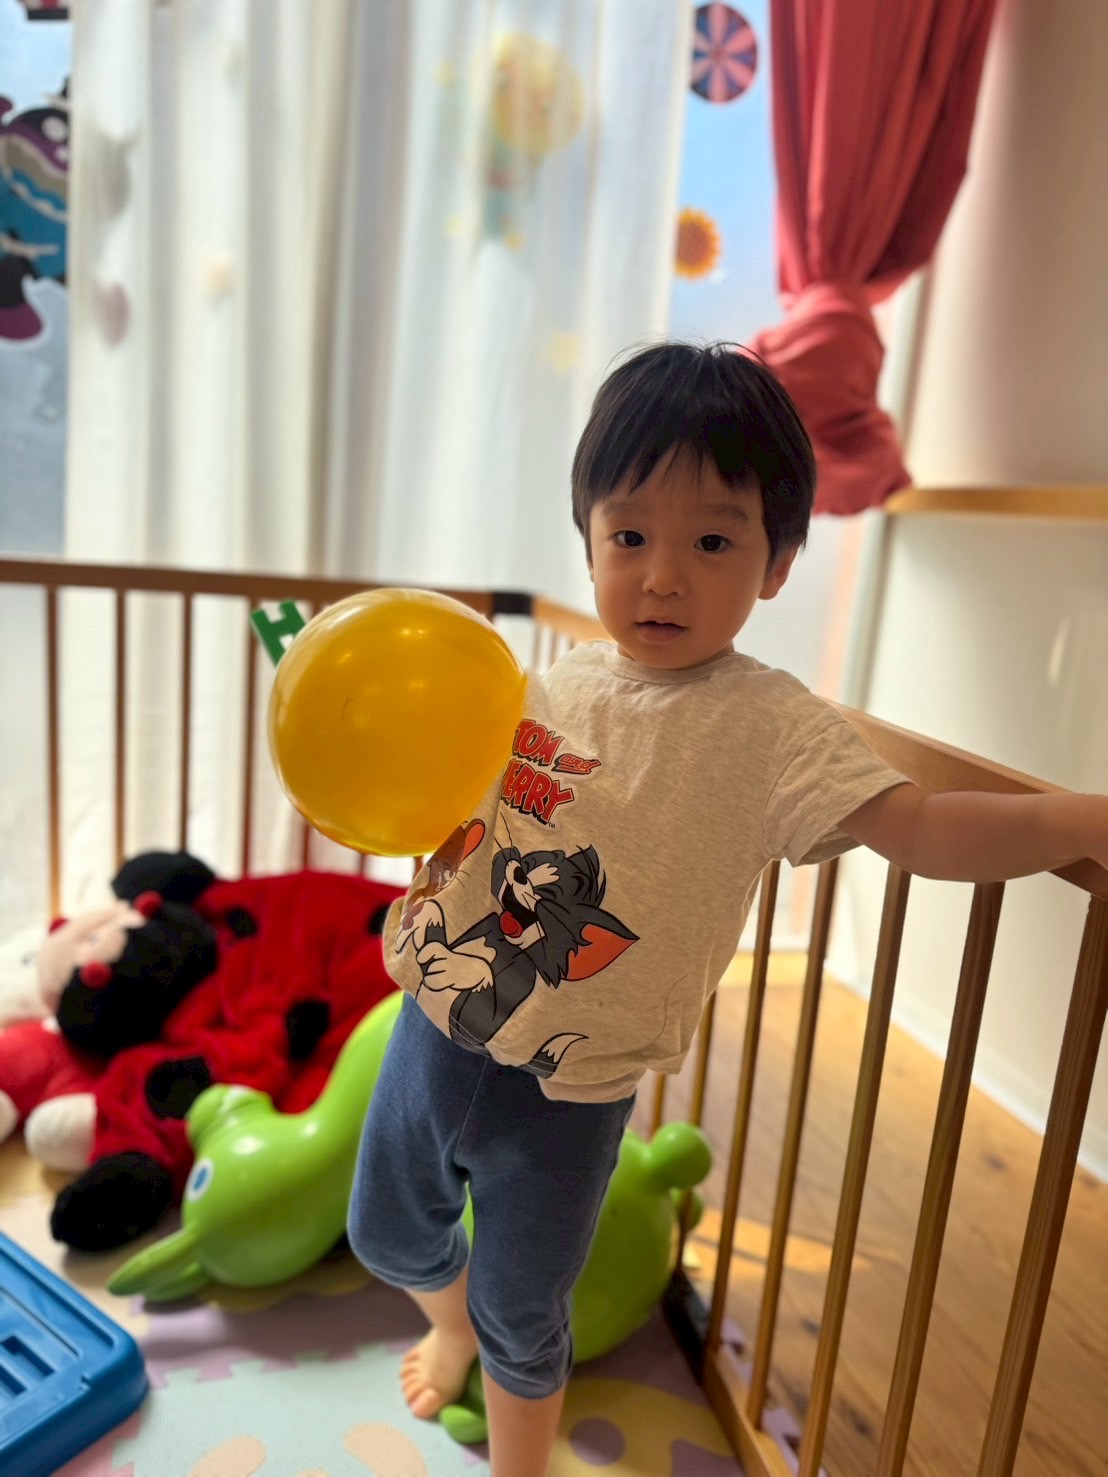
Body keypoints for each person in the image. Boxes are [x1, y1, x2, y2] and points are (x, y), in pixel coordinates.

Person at [347, 341, 1108, 1477]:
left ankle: (515, 1451)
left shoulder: (771, 726)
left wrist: (1074, 820)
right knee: (385, 1231)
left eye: (712, 542)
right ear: (588, 539)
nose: (663, 577)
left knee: (522, 1302)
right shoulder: (548, 679)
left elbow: (919, 827)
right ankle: (445, 1322)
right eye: (629, 537)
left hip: (573, 1084)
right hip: (437, 1018)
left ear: (778, 563)